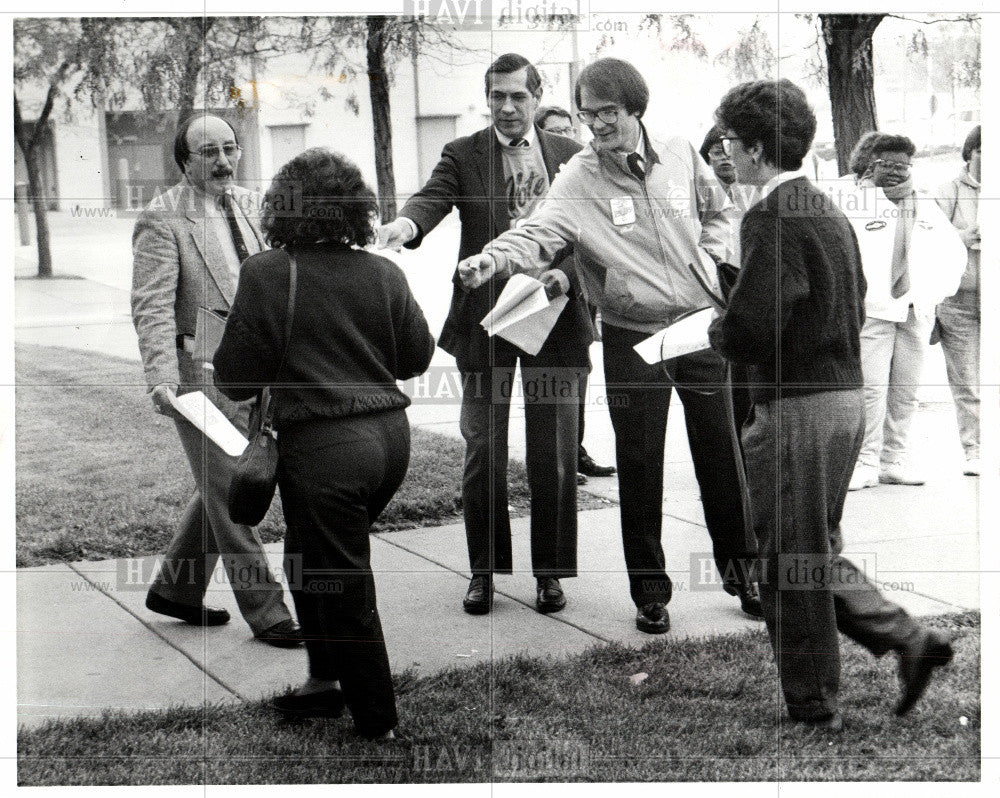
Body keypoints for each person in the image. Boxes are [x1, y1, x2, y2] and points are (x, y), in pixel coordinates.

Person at [459, 57, 762, 632]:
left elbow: (718, 209)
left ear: (635, 109)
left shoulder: (677, 152)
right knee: (640, 464)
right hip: (632, 337)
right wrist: (491, 258)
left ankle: (742, 572)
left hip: (699, 330)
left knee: (721, 456)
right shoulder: (579, 177)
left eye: (608, 113)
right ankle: (651, 593)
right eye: (587, 114)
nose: (596, 125)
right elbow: (538, 232)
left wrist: (717, 259)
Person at [708, 78, 954, 731]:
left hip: (797, 405)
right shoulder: (826, 207)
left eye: (731, 141)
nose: (725, 152)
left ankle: (816, 698)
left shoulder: (769, 216)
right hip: (844, 399)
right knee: (813, 548)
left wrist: (717, 323)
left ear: (758, 148)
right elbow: (845, 293)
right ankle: (905, 644)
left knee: (787, 558)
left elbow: (753, 329)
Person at [214, 148, 435, 740]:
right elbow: (416, 358)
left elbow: (234, 378)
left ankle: (377, 721)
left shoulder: (266, 271)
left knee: (343, 579)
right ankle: (323, 683)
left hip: (325, 450)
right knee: (307, 558)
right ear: (355, 209)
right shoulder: (385, 272)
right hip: (390, 441)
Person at [376, 54, 593, 616]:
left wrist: (564, 275)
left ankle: (550, 573)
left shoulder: (573, 157)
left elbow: (589, 239)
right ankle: (483, 573)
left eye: (518, 96)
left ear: (537, 96)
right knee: (484, 450)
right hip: (487, 325)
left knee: (555, 454)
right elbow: (432, 198)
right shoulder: (463, 153)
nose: (507, 106)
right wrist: (407, 225)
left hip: (556, 319)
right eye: (497, 95)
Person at [130, 113, 301, 647]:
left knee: (222, 481)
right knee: (232, 487)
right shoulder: (162, 219)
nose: (224, 161)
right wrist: (161, 376)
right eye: (209, 152)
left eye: (230, 148)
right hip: (199, 378)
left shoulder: (255, 206)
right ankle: (268, 611)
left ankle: (175, 590)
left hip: (260, 373)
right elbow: (152, 304)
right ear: (184, 161)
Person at [845, 132, 966, 491]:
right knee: (870, 389)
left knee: (905, 390)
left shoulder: (924, 205)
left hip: (916, 311)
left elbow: (953, 253)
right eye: (888, 164)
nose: (898, 172)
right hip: (872, 311)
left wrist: (934, 296)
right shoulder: (852, 202)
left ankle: (893, 460)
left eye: (904, 165)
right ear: (868, 164)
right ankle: (864, 461)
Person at [536, 104, 617, 481]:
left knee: (579, 371)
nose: (566, 137)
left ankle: (575, 449)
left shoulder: (581, 167)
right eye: (556, 130)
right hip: (534, 288)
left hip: (577, 287)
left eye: (570, 129)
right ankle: (556, 458)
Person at [935, 125, 981, 476]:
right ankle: (975, 449)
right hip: (959, 302)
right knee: (966, 381)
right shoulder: (947, 192)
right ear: (970, 154)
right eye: (983, 151)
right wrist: (963, 237)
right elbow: (929, 239)